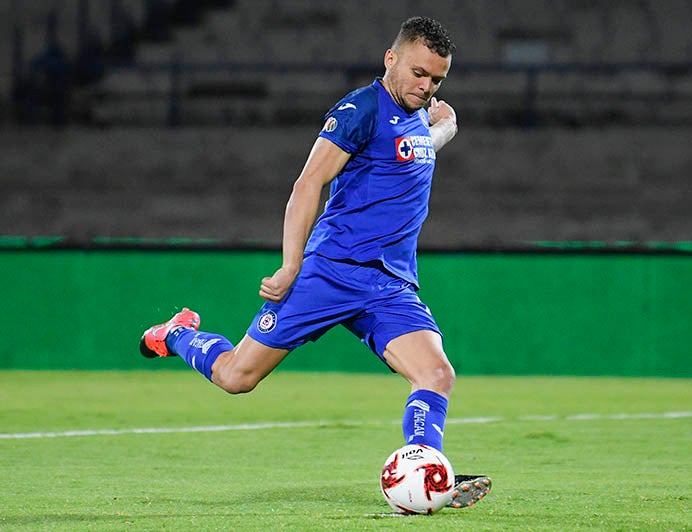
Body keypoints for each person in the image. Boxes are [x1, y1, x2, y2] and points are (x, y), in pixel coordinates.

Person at [140, 16, 491, 509]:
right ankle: (176, 333)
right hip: (329, 270)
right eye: (417, 72)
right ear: (391, 59)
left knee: (437, 375)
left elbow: (409, 157)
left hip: (389, 284)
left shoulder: (418, 117)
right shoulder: (360, 109)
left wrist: (446, 128)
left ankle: (426, 475)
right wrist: (289, 265)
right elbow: (307, 185)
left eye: (436, 79)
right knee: (236, 378)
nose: (425, 85)